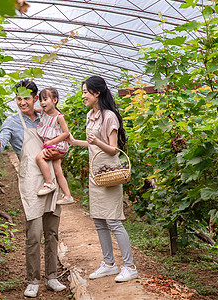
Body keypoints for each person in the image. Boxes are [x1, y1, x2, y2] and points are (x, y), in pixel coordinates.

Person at [0, 79, 67, 298]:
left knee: (52, 232)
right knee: (33, 234)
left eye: (26, 98)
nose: (22, 102)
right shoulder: (12, 122)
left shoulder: (48, 116)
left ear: (36, 98)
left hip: (50, 179)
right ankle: (33, 280)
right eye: (18, 98)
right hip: (30, 182)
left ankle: (52, 277)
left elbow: (63, 143)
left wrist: (59, 154)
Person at [68, 76, 138, 282]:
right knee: (99, 220)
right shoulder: (91, 115)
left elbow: (113, 148)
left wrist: (97, 141)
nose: (83, 96)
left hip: (109, 175)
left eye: (85, 92)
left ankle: (130, 266)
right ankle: (109, 264)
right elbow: (92, 144)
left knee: (114, 221)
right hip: (95, 175)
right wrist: (74, 141)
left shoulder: (109, 117)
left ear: (97, 93)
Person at [35, 87, 74, 205]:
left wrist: (51, 142)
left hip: (57, 145)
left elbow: (66, 133)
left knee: (39, 158)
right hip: (54, 145)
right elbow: (34, 109)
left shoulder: (59, 117)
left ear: (55, 100)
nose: (42, 103)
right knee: (58, 171)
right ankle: (68, 196)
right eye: (41, 100)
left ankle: (49, 183)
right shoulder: (43, 113)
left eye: (45, 99)